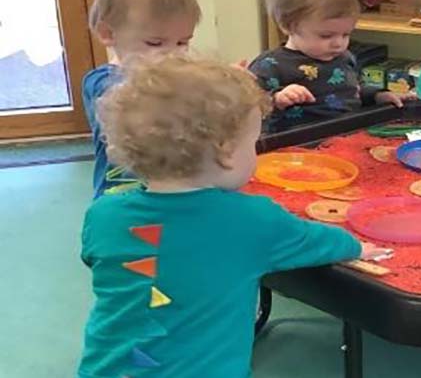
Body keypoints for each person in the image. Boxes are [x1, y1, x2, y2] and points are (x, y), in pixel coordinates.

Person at [78, 55, 387, 377]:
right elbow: (313, 240)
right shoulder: (253, 219)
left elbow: (97, 259)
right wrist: (355, 246)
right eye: (253, 143)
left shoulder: (103, 214)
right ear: (225, 151)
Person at [82, 0, 201, 198]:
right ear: (108, 33)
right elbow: (136, 104)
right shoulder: (102, 81)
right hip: (121, 194)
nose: (173, 54)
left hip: (168, 188)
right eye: (155, 43)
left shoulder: (172, 76)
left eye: (182, 42)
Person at [249, 0, 414, 132]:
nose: (338, 44)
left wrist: (378, 96)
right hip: (297, 146)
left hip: (346, 135)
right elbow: (248, 108)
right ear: (288, 26)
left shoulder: (344, 57)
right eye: (326, 36)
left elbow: (351, 90)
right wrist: (277, 99)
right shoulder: (270, 64)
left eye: (345, 35)